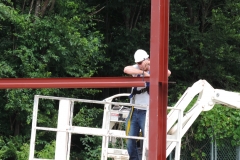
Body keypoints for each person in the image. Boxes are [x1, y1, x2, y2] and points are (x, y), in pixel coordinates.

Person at [123, 49, 171, 160]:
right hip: (134, 110)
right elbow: (126, 69)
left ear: (146, 60)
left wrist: (151, 67)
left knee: (149, 141)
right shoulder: (137, 69)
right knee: (130, 140)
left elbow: (168, 73)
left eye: (141, 63)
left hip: (147, 112)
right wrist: (142, 73)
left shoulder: (155, 69)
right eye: (138, 63)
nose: (139, 65)